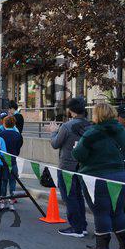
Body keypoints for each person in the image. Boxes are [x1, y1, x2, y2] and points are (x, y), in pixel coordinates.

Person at [72, 103, 125, 249]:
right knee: (118, 211)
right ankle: (124, 245)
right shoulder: (123, 131)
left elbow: (79, 155)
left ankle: (102, 246)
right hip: (119, 174)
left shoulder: (91, 133)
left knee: (101, 211)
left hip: (96, 176)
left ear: (97, 115)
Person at [48, 97, 91, 237]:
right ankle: (82, 226)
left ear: (71, 110)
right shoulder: (89, 125)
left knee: (69, 197)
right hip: (82, 165)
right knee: (79, 196)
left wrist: (53, 131)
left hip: (67, 166)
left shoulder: (67, 126)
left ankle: (76, 228)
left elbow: (55, 144)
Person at [0, 116, 23, 211]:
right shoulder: (17, 135)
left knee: (3, 181)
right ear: (14, 124)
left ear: (4, 124)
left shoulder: (1, 134)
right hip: (13, 160)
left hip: (3, 161)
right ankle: (11, 201)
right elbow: (19, 146)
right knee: (12, 181)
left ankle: (2, 201)